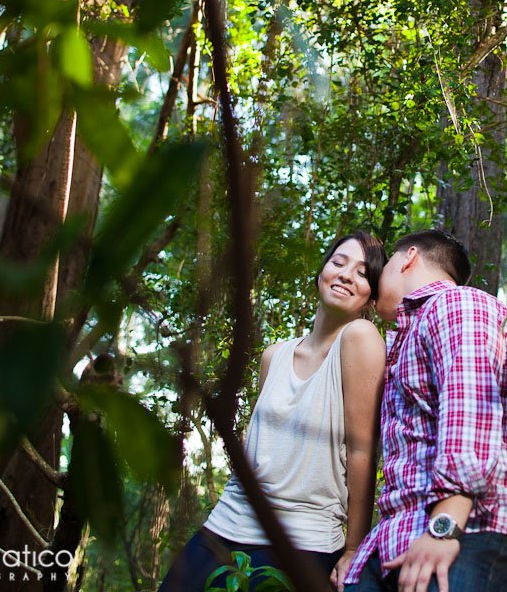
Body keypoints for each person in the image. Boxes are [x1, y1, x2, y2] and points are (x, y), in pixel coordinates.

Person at [160, 231, 386, 592]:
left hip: (302, 538)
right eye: (339, 263)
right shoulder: (274, 355)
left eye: (362, 273)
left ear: (371, 298)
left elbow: (362, 447)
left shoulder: (360, 337)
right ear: (321, 272)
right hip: (225, 524)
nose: (345, 275)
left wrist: (354, 547)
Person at [344, 229, 507, 592]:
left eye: (385, 264)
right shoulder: (409, 335)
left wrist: (446, 525)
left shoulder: (456, 304)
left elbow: (470, 407)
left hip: (469, 532)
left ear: (408, 258)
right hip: (399, 540)